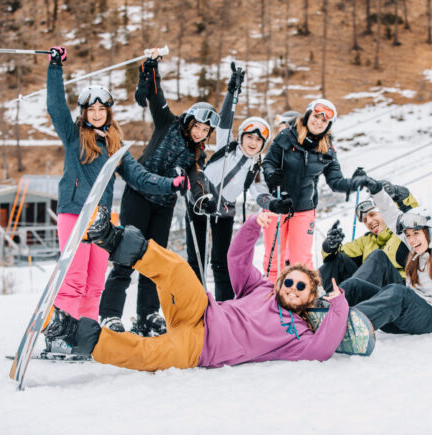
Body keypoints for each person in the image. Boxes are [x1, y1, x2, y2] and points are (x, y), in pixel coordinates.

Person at [40, 208, 353, 371]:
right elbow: (236, 260)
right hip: (201, 310)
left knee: (146, 353)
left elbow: (321, 349)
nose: (293, 288)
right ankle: (111, 237)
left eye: (301, 286)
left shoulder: (299, 335)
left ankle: (69, 331)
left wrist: (339, 305)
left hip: (200, 347)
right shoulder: (261, 289)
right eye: (289, 281)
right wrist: (252, 226)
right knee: (177, 268)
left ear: (309, 296)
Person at [44, 46, 181, 354]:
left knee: (95, 283)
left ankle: (86, 336)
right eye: (91, 109)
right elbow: (55, 107)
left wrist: (170, 184)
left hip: (101, 221)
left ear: (108, 112)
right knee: (75, 278)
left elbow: (139, 177)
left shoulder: (114, 146)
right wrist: (55, 68)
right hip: (74, 213)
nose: (96, 113)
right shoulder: (73, 137)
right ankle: (60, 335)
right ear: (84, 113)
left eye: (101, 109)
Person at [97, 52, 217, 336]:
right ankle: (110, 314)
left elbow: (197, 178)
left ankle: (147, 315)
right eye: (197, 127)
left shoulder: (197, 154)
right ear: (189, 121)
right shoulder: (168, 123)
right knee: (126, 255)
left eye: (205, 130)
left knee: (154, 260)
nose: (200, 133)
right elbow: (155, 94)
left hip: (163, 206)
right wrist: (151, 67)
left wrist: (202, 196)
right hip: (138, 196)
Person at [337, 177, 432, 334]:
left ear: (431, 231)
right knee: (355, 286)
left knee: (398, 292)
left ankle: (349, 328)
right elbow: (392, 216)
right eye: (408, 235)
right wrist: (377, 191)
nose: (411, 240)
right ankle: (323, 313)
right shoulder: (416, 247)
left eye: (416, 233)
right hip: (409, 312)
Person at [185, 64, 271, 301]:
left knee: (221, 261)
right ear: (241, 136)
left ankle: (224, 306)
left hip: (224, 211)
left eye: (258, 141)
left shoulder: (256, 167)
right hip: (200, 200)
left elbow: (259, 192)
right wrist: (232, 91)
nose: (252, 143)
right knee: (197, 257)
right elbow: (224, 119)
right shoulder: (227, 146)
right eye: (249, 137)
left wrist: (273, 204)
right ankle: (194, 302)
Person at [259, 98, 363, 282]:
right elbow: (268, 162)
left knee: (302, 262)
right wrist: (272, 175)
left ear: (329, 125)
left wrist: (355, 183)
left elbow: (336, 181)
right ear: (308, 115)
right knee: (273, 260)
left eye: (324, 120)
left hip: (304, 209)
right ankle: (270, 294)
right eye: (316, 116)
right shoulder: (286, 136)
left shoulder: (327, 149)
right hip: (278, 205)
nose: (318, 122)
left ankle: (306, 296)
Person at [319, 181, 419, 291]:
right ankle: (312, 290)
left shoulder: (401, 232)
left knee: (379, 256)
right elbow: (340, 254)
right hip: (374, 292)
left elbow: (413, 214)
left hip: (400, 289)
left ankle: (345, 296)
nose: (369, 221)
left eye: (372, 215)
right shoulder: (366, 241)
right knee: (338, 260)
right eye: (365, 220)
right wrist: (329, 246)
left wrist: (398, 192)